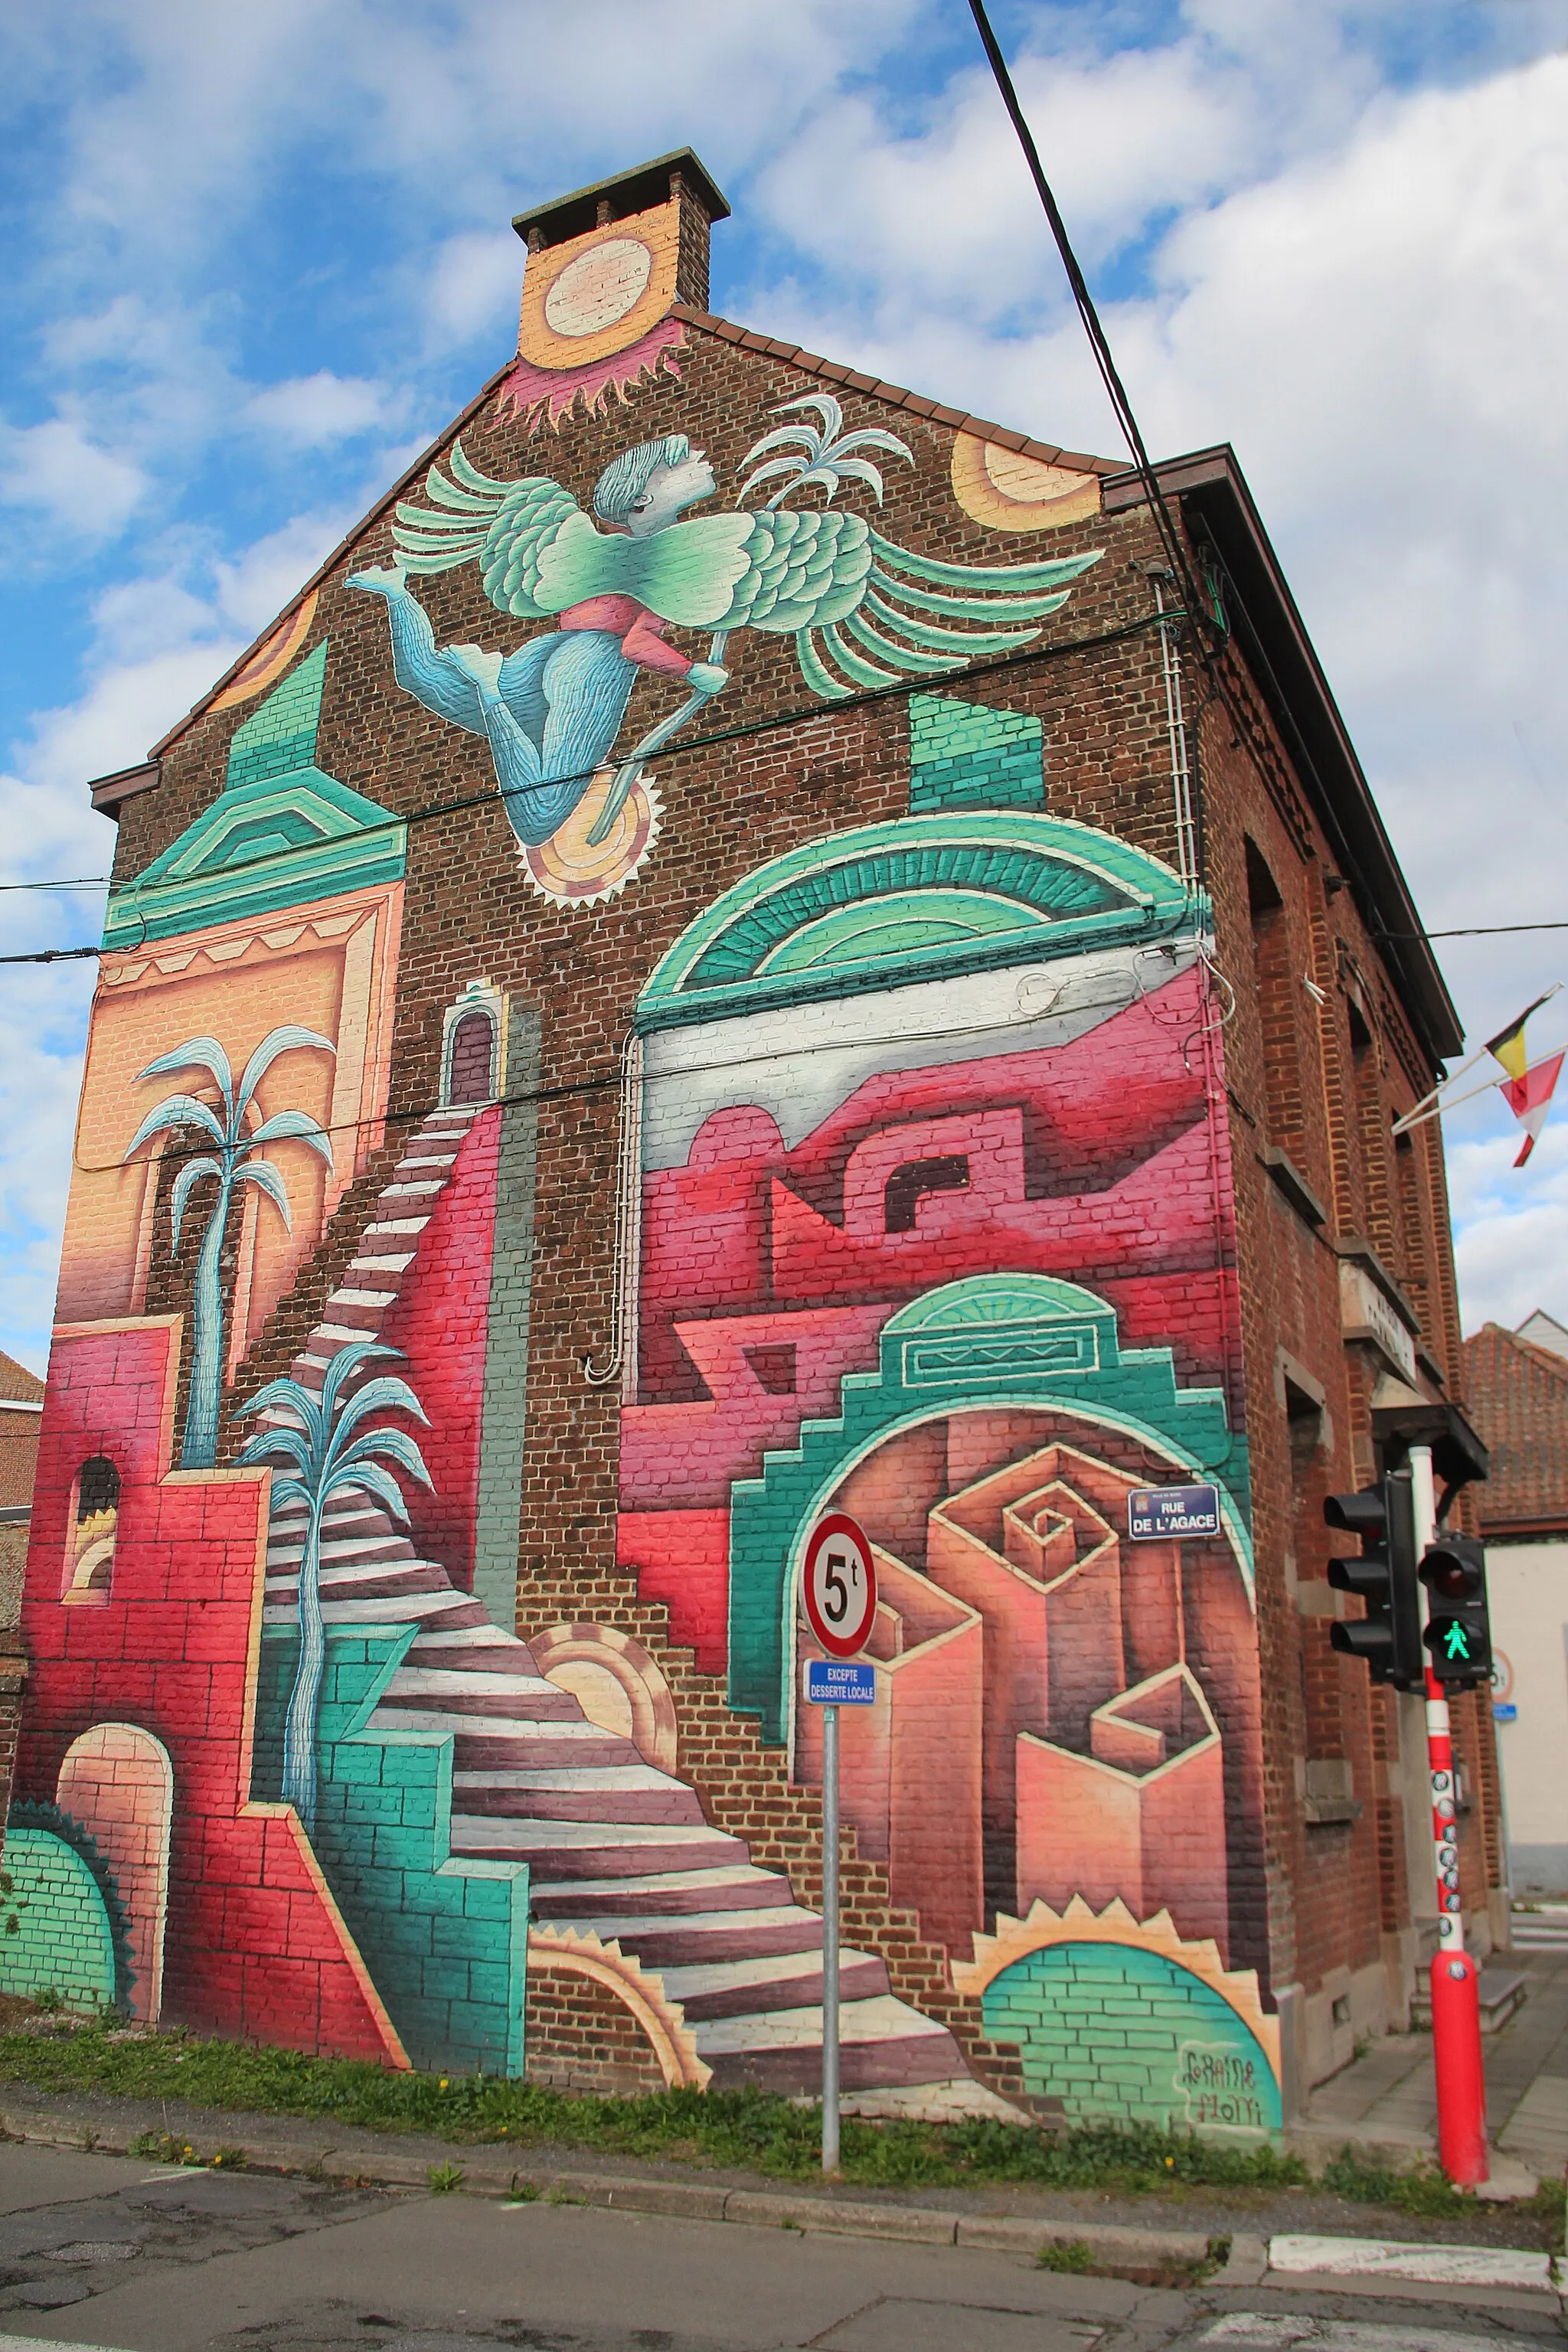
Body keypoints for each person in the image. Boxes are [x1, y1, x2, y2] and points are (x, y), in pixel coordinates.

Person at [348, 435, 730, 846]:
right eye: (678, 464)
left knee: (420, 675)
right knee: (539, 819)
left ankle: (396, 594)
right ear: (642, 502)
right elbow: (635, 645)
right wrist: (694, 671)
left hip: (544, 653)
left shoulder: (592, 550)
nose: (699, 459)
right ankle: (488, 686)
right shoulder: (671, 556)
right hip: (591, 666)